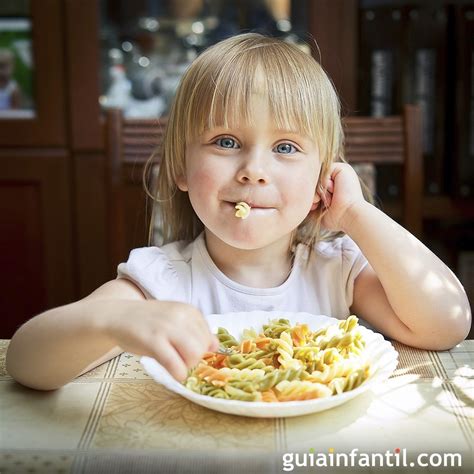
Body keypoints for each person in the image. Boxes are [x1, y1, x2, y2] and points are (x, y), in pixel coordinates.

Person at [6, 33, 471, 391]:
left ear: (320, 183)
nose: (253, 171)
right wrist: (115, 322)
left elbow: (446, 324)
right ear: (181, 168)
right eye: (225, 142)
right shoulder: (162, 281)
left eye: (286, 147)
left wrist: (356, 213)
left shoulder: (336, 270)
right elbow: (26, 363)